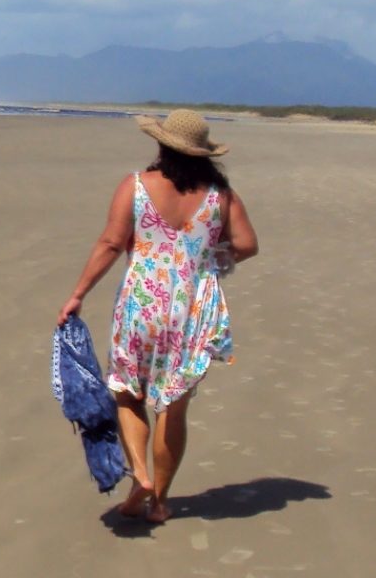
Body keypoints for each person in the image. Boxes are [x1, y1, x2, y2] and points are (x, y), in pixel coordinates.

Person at [55, 109, 258, 524]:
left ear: (162, 145)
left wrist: (77, 295)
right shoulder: (221, 195)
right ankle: (160, 502)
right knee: (174, 408)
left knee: (129, 394)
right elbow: (248, 244)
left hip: (142, 302)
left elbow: (112, 243)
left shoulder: (136, 186)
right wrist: (217, 253)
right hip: (192, 307)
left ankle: (141, 475)